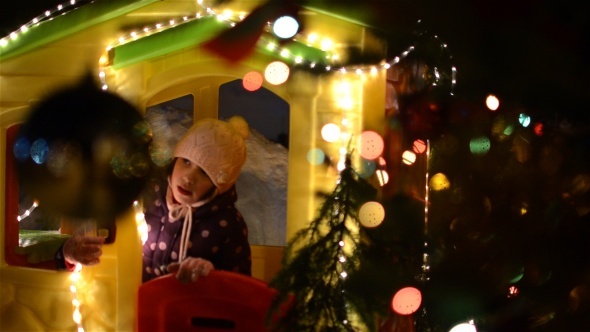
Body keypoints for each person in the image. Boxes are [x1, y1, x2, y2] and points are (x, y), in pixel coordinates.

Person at [56, 116, 252, 284]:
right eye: (186, 161)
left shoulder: (228, 224)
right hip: (134, 311)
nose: (188, 177)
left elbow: (239, 290)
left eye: (204, 173)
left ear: (219, 185)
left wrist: (211, 277)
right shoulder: (146, 196)